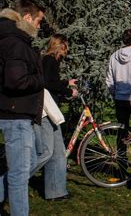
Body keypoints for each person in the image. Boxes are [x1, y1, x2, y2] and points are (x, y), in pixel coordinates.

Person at [0, 0, 45, 216]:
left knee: (31, 162)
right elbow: (16, 81)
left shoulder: (12, 39)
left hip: (15, 113)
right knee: (19, 175)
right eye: (38, 21)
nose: (39, 27)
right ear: (27, 18)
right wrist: (40, 78)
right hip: (15, 115)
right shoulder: (16, 43)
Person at [31, 34, 77, 201]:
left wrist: (66, 83)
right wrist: (69, 91)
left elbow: (51, 82)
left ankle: (57, 191)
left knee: (58, 153)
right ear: (60, 47)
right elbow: (49, 84)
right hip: (45, 111)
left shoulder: (47, 60)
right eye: (65, 48)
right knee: (47, 152)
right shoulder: (51, 61)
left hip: (51, 110)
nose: (66, 52)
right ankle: (12, 179)